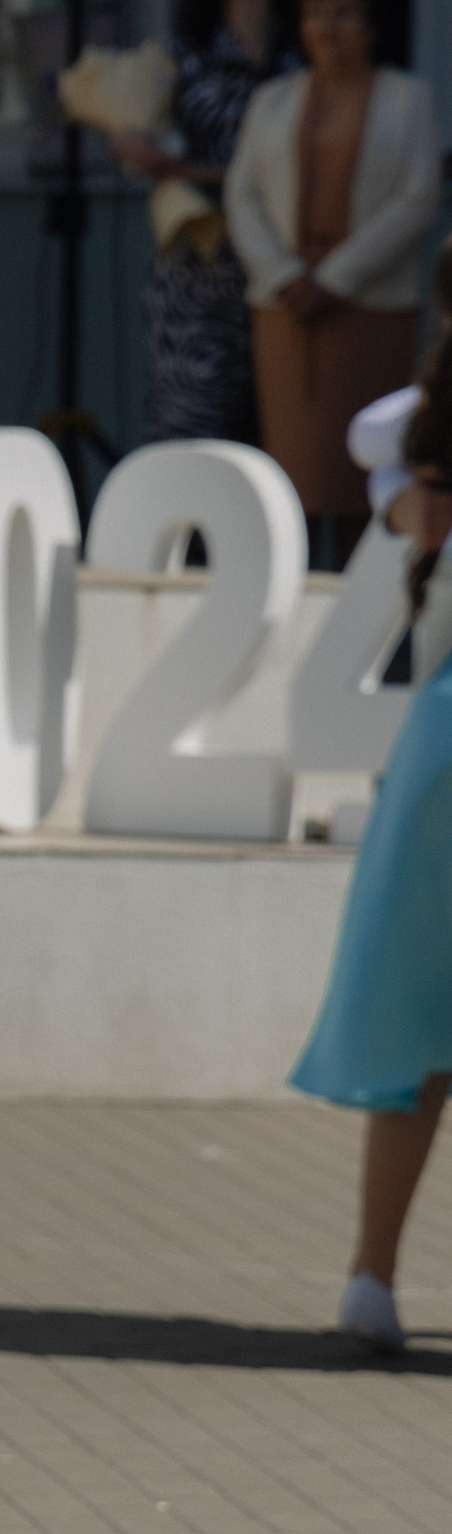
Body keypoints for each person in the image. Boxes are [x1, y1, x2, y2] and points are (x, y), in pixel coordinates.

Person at [289, 237, 452, 1354]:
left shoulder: (418, 445)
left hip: (436, 752)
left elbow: (379, 442)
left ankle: (370, 1278)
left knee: (420, 1038)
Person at [226, 0, 436, 570]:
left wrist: (338, 278)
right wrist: (286, 276)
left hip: (369, 307)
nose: (327, 27)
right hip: (287, 309)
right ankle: (292, 589)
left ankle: (365, 588)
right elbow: (242, 195)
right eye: (315, 13)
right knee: (293, 471)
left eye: (343, 13)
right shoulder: (272, 100)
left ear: (371, 23)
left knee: (364, 469)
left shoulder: (408, 98)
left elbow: (417, 198)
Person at [109, 0, 292, 446]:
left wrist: (193, 170)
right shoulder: (181, 54)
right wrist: (130, 139)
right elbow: (131, 129)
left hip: (283, 265)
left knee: (279, 437)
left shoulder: (301, 56)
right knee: (191, 434)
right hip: (199, 271)